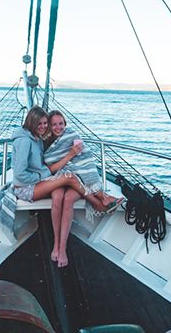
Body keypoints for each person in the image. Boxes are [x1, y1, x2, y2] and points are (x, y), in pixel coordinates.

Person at [44, 110, 124, 267]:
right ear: (49, 126)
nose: (58, 127)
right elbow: (51, 169)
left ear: (65, 124)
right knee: (58, 197)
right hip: (59, 178)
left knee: (68, 199)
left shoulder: (71, 135)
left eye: (61, 123)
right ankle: (55, 244)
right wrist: (70, 155)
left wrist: (74, 156)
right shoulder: (46, 143)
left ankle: (62, 248)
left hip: (78, 178)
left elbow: (85, 159)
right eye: (54, 124)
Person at [11, 106, 112, 206]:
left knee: (61, 194)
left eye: (45, 123)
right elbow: (19, 174)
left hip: (34, 182)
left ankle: (101, 198)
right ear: (32, 123)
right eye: (39, 123)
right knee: (69, 178)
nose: (43, 126)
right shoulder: (24, 141)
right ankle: (98, 203)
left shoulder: (37, 138)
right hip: (25, 188)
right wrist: (41, 176)